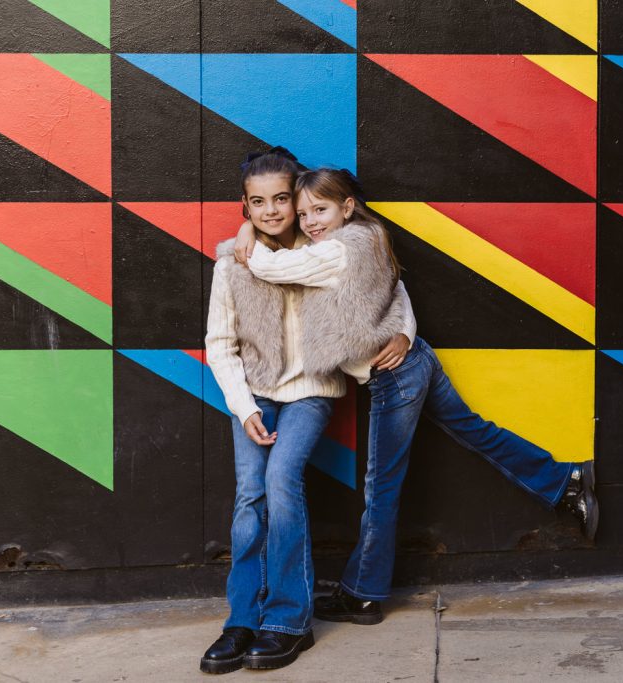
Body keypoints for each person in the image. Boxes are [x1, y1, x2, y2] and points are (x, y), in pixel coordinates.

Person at [233, 167, 599, 627]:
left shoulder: (337, 251)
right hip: (414, 360)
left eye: (320, 210)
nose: (309, 221)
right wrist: (406, 333)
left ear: (347, 207)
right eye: (303, 213)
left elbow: (269, 265)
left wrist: (246, 225)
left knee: (381, 487)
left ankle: (363, 594)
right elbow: (397, 289)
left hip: (393, 379)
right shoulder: (364, 236)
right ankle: (563, 480)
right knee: (473, 430)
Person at [199, 149, 417, 674]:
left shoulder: (327, 246)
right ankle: (242, 619)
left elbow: (386, 285)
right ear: (244, 206)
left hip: (312, 390)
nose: (272, 211)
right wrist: (242, 406)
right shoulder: (232, 264)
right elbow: (219, 343)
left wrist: (406, 329)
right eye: (258, 202)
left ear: (297, 200)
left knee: (281, 481)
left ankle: (288, 620)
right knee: (249, 497)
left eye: (281, 199)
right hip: (253, 395)